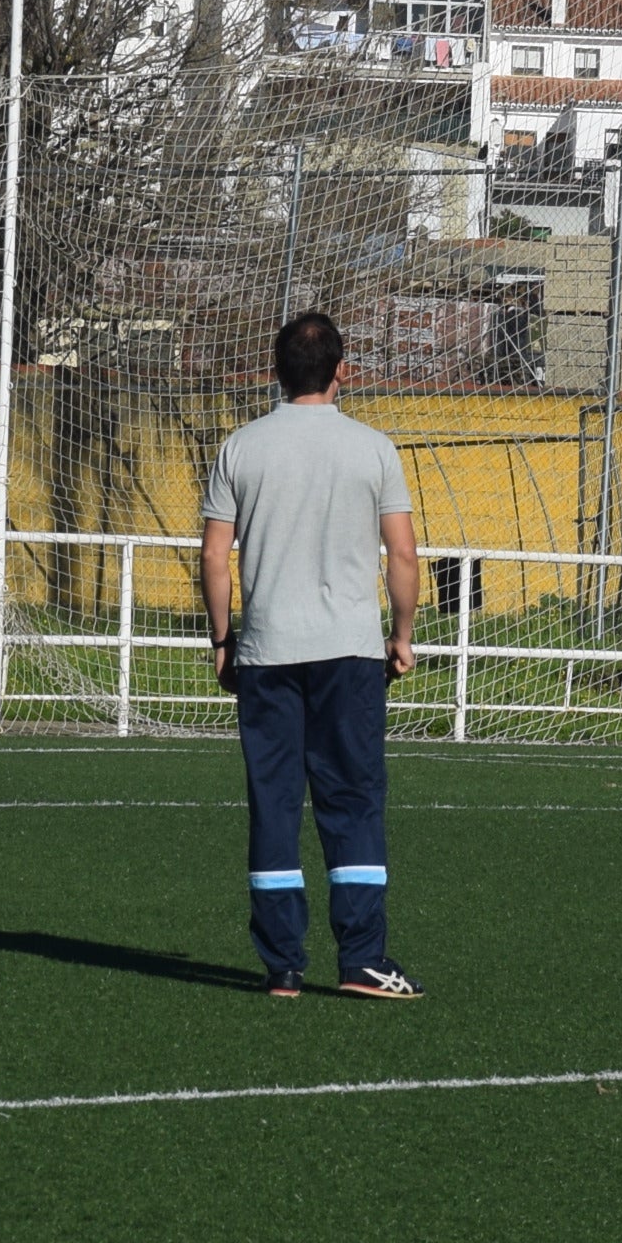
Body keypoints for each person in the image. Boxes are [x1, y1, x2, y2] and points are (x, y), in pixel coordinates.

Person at [200, 311, 424, 1001]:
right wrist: (402, 635)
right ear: (341, 371)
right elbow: (403, 555)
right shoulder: (373, 449)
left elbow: (214, 557)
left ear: (275, 371)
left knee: (274, 802)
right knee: (351, 800)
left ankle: (282, 966)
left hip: (267, 651)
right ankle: (361, 960)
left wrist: (222, 639)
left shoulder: (241, 447)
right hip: (349, 654)